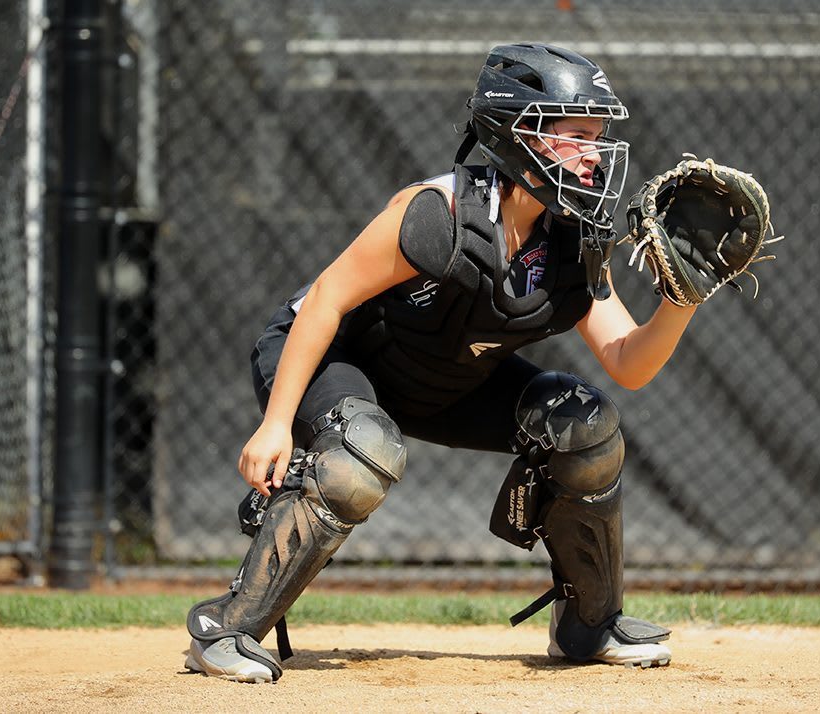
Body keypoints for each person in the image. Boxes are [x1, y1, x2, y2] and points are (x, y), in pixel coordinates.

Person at [184, 42, 696, 683]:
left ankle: (589, 626)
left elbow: (627, 362)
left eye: (598, 138)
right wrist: (277, 424)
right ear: (517, 133)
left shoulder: (574, 238)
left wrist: (681, 300)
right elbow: (324, 301)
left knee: (585, 426)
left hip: (443, 378)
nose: (594, 154)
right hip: (333, 354)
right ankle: (226, 629)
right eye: (576, 136)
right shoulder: (439, 215)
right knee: (361, 451)